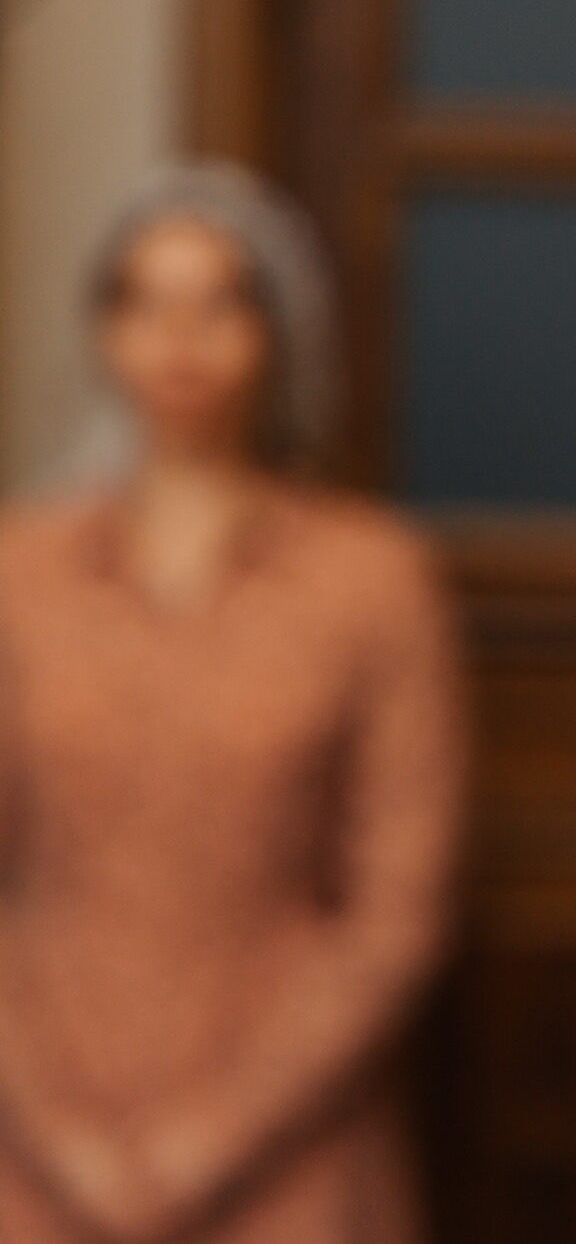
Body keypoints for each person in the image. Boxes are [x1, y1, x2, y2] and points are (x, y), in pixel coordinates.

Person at [0, 164, 466, 1243]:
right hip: (41, 1121)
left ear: (278, 331)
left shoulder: (371, 579)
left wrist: (208, 1137)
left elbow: (397, 909)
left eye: (220, 302)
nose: (181, 340)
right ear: (102, 331)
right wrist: (53, 1126)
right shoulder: (22, 573)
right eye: (146, 302)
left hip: (288, 1129)